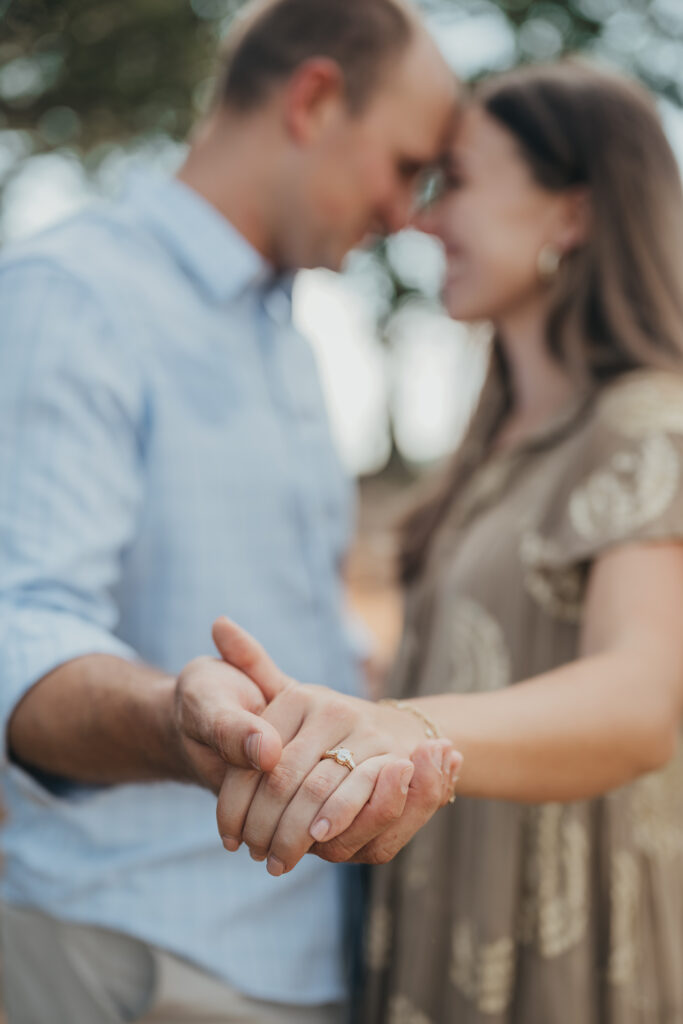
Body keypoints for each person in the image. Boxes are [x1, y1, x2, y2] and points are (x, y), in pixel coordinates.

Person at [0, 1, 461, 1021]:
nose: (405, 213)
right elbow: (19, 630)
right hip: (135, 959)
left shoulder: (290, 341)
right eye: (402, 164)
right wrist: (176, 724)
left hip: (306, 953)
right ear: (314, 100)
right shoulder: (72, 293)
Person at [213, 61, 683, 1023]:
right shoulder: (489, 455)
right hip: (443, 917)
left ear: (571, 214)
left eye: (456, 183)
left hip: (569, 951)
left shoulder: (645, 426)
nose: (421, 220)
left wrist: (401, 724)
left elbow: (641, 700)